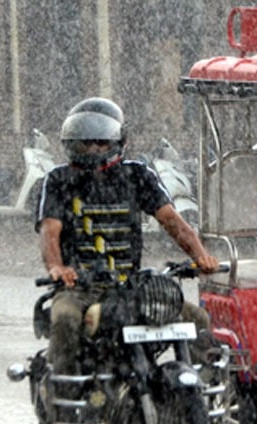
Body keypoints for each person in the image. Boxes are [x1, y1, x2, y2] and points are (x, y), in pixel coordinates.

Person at [36, 97, 219, 378]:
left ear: (118, 142)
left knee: (196, 318)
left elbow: (174, 222)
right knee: (65, 320)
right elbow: (50, 231)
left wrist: (200, 256)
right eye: (85, 142)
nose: (93, 149)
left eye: (101, 142)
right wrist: (57, 267)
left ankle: (204, 392)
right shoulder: (58, 180)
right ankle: (65, 396)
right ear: (71, 143)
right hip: (80, 288)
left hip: (132, 288)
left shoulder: (137, 175)